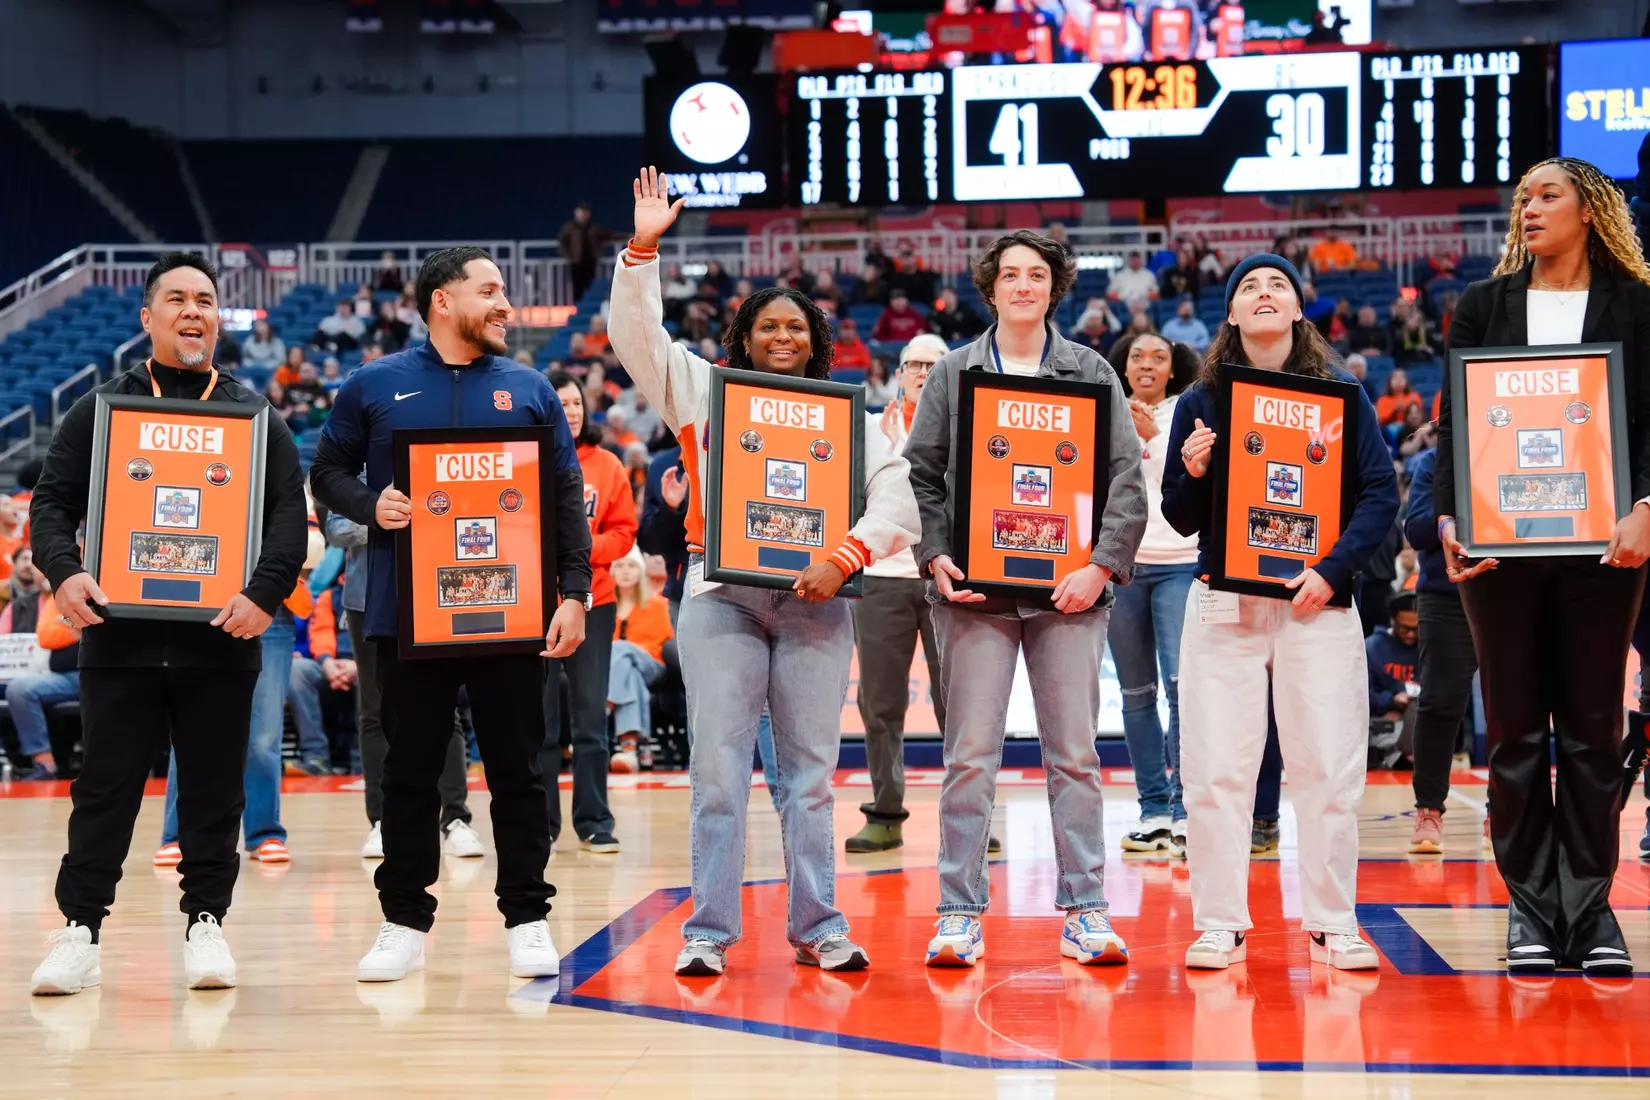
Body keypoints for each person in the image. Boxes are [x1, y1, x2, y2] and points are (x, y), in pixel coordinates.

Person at [611, 167, 919, 977]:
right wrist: (641, 251)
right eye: (768, 327)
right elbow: (637, 340)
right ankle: (708, 931)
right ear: (744, 339)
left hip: (819, 598)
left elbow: (900, 496)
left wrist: (844, 555)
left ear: (815, 342)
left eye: (796, 328)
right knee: (718, 773)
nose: (783, 337)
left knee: (809, 777)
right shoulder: (702, 392)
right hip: (723, 598)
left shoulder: (847, 416)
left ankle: (818, 925)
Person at [310, 245, 592, 984]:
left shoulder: (530, 388)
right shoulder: (374, 384)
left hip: (511, 614)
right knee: (409, 773)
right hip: (409, 616)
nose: (505, 305)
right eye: (490, 290)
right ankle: (403, 922)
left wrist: (574, 592)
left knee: (519, 772)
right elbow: (326, 472)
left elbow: (564, 495)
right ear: (443, 300)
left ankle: (527, 919)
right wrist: (370, 504)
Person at [27, 253, 308, 996]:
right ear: (147, 317)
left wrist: (264, 594)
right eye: (177, 299)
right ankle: (80, 930)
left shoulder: (254, 415)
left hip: (220, 637)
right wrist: (65, 572)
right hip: (119, 637)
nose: (193, 311)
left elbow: (288, 515)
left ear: (218, 320)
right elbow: (51, 504)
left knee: (215, 790)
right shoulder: (101, 410)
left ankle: (205, 923)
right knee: (104, 788)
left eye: (205, 300)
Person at [906, 229, 1147, 969]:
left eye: (1035, 274)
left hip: (1070, 594)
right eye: (1009, 274)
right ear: (990, 287)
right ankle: (958, 914)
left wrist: (1101, 567)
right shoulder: (954, 372)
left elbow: (1126, 481)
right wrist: (935, 554)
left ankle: (1086, 909)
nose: (1022, 286)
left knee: (1074, 755)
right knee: (969, 758)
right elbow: (921, 478)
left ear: (1054, 287)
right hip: (974, 593)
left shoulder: (1091, 371)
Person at [1433, 157, 1650, 976]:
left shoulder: (1638, 306)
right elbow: (1455, 428)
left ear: (1590, 209)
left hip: (1607, 547)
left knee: (1595, 732)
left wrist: (1647, 506)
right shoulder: (1482, 305)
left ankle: (1589, 910)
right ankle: (1530, 907)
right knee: (1516, 733)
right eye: (1523, 196)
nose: (1529, 207)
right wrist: (1450, 518)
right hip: (1502, 552)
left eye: (1548, 195)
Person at [1163, 252, 1398, 972]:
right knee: (1215, 769)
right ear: (1231, 314)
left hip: (1315, 602)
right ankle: (1219, 923)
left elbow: (1380, 494)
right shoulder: (1200, 401)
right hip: (1225, 600)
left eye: (1278, 285)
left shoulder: (1341, 394)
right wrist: (1193, 472)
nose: (1263, 293)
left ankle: (1333, 923)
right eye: (1248, 287)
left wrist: (1331, 570)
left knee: (1327, 764)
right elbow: (1179, 516)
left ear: (1298, 310)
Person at [323, 503, 482, 861]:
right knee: (374, 710)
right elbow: (335, 528)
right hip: (366, 597)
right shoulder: (357, 469)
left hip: (434, 590)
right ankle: (381, 820)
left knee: (445, 708)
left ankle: (455, 818)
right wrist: (383, 519)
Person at [844, 334, 951, 854]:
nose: (923, 374)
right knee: (880, 703)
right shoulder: (871, 427)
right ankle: (885, 812)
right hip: (883, 576)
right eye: (915, 365)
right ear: (900, 373)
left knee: (959, 705)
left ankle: (969, 817)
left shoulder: (967, 427)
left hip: (944, 575)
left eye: (934, 365)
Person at [1106, 332, 1200, 856]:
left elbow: (1190, 483)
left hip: (1179, 564)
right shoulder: (1104, 410)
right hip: (1122, 566)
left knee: (1182, 688)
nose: (1146, 364)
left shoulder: (1188, 411)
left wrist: (1153, 438)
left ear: (1172, 368)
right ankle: (1153, 810)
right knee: (1136, 693)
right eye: (1137, 356)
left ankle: (1186, 810)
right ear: (1123, 366)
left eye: (1158, 357)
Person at [156, 568, 315, 869]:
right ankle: (176, 835)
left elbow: (301, 548)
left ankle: (264, 833)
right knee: (190, 727)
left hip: (268, 607)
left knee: (264, 735)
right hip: (202, 602)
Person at [542, 369, 635, 847]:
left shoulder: (608, 465)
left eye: (576, 402)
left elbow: (624, 533)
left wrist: (578, 550)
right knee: (540, 722)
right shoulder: (527, 461)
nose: (572, 411)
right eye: (561, 403)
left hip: (594, 602)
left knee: (590, 717)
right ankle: (541, 825)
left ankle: (595, 820)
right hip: (538, 604)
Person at [4, 553, 77, 781]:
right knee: (15, 687)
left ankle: (44, 764)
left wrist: (69, 629)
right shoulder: (19, 605)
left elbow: (50, 637)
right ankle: (12, 758)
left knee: (21, 690)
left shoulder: (78, 594)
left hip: (75, 672)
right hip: (29, 670)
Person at [609, 550, 673, 771]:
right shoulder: (604, 607)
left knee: (621, 649)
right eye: (620, 566)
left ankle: (604, 706)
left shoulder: (658, 604)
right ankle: (631, 750)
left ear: (641, 572)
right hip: (622, 671)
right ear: (611, 572)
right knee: (630, 673)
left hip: (652, 665)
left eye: (631, 566)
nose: (625, 571)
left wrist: (629, 650)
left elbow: (662, 641)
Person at [1366, 591, 1418, 722]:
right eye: (1405, 628)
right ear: (1392, 620)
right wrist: (1391, 700)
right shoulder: (1371, 648)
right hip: (1379, 718)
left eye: (1417, 629)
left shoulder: (1430, 649)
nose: (1411, 634)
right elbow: (1362, 693)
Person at [557, 201, 609, 303]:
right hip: (576, 262)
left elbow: (608, 235)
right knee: (577, 288)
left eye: (585, 213)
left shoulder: (593, 229)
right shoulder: (570, 228)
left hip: (591, 262)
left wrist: (627, 236)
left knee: (590, 286)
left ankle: (588, 305)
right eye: (581, 213)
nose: (583, 215)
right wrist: (569, 256)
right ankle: (578, 307)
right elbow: (562, 242)